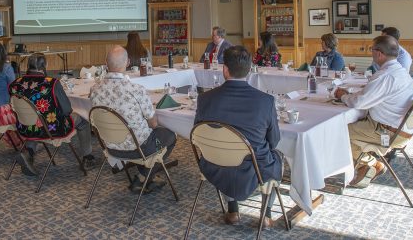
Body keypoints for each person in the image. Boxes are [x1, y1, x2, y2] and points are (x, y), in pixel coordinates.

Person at [195, 46, 282, 228]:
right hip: (253, 169)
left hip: (214, 165)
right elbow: (273, 140)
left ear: (224, 69)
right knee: (277, 156)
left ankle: (233, 210)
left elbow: (198, 133)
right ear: (250, 70)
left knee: (227, 154)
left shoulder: (205, 99)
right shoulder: (265, 101)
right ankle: (265, 215)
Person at [90, 46, 176, 193]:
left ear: (105, 63)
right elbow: (153, 124)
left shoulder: (94, 89)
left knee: (141, 133)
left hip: (110, 146)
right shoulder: (136, 90)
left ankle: (145, 176)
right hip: (137, 149)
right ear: (128, 62)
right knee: (170, 135)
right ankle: (143, 176)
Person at [334, 36, 413, 188]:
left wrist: (343, 96)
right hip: (402, 128)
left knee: (337, 131)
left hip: (387, 131)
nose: (371, 53)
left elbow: (359, 102)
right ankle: (363, 163)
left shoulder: (385, 76)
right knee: (348, 124)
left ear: (379, 53)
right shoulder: (401, 72)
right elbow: (369, 95)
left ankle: (372, 164)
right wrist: (351, 95)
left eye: (372, 49)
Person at [9, 53, 95, 176]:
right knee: (83, 119)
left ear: (28, 65)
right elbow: (67, 110)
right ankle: (88, 157)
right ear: (45, 66)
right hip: (52, 129)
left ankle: (29, 153)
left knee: (34, 118)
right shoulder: (52, 83)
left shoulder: (16, 84)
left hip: (25, 127)